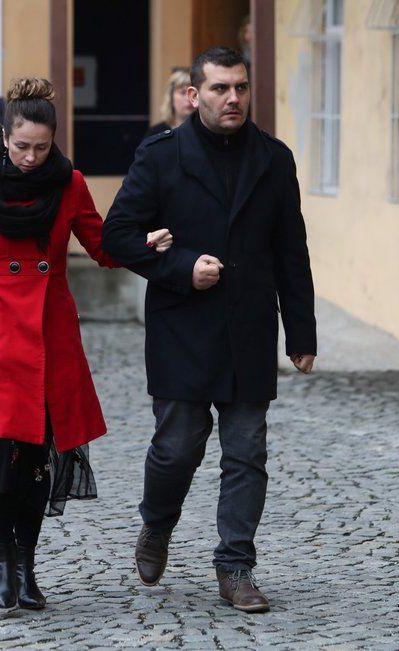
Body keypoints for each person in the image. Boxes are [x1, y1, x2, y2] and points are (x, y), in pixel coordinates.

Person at [0, 77, 173, 610]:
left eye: (41, 147)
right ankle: (0, 562)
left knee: (37, 456)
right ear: (4, 137)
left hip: (48, 332)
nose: (31, 158)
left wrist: (143, 241)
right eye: (21, 147)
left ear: (53, 140)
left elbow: (102, 246)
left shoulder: (69, 184)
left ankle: (27, 567)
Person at [101, 47, 317, 613]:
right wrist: (179, 267)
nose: (234, 99)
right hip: (182, 328)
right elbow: (116, 235)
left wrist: (301, 332)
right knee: (177, 448)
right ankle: (157, 524)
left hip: (248, 328)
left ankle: (236, 567)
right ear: (195, 94)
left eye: (241, 88)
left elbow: (291, 250)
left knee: (247, 452)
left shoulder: (274, 159)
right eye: (221, 88)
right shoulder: (162, 156)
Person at [143, 68, 194, 141]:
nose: (188, 98)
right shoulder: (155, 134)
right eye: (182, 92)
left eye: (193, 93)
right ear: (171, 97)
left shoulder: (206, 133)